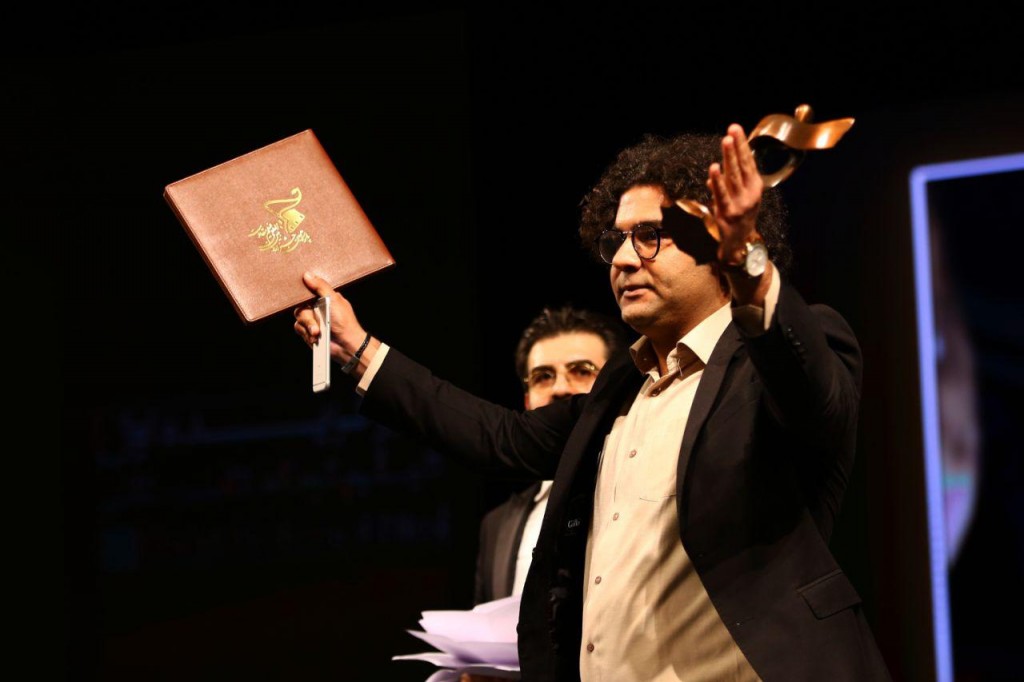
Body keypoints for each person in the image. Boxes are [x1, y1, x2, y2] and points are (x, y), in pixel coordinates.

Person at [294, 123, 891, 681]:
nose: (624, 259)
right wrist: (357, 348)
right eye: (617, 241)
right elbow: (499, 437)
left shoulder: (782, 358)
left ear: (715, 242)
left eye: (650, 236)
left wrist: (748, 261)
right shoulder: (619, 389)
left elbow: (807, 387)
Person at [475, 306, 629, 606]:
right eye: (543, 376)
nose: (559, 388)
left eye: (581, 371)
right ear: (527, 400)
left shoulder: (651, 491)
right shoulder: (496, 524)